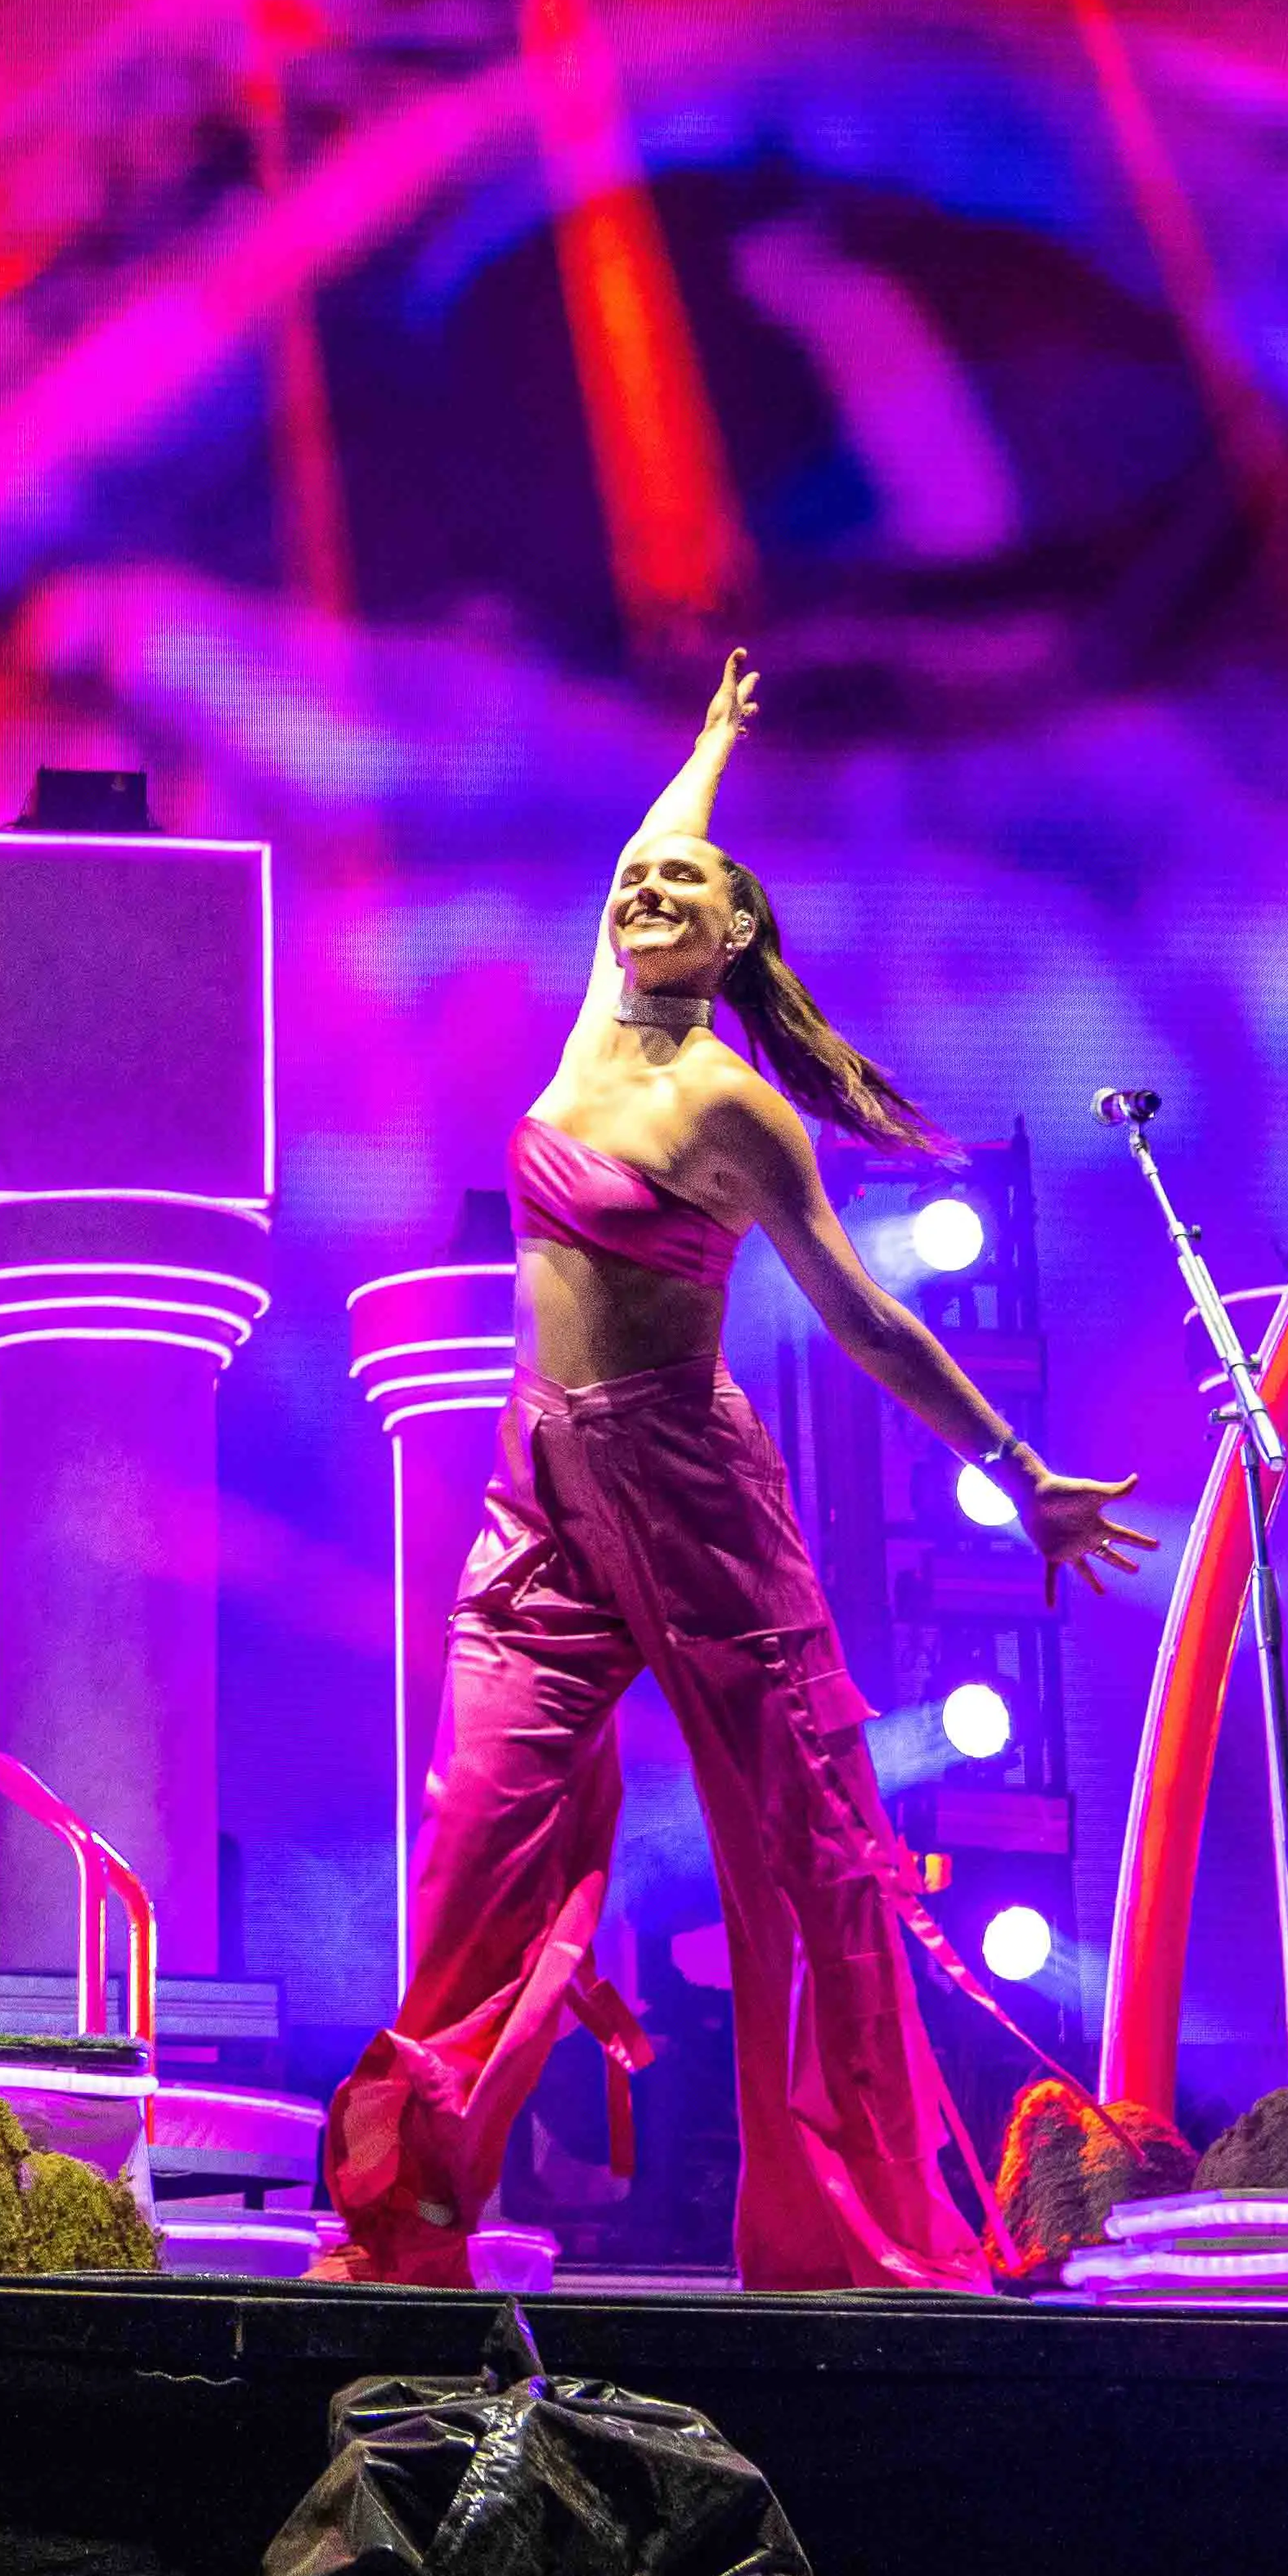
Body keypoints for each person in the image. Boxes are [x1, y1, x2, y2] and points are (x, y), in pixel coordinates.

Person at [317, 651, 1153, 2292]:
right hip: (540, 1493)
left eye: (679, 883)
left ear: (736, 936)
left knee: (810, 1850)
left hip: (690, 1489)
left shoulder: (729, 1108)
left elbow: (868, 1317)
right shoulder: (592, 1020)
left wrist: (1023, 1471)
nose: (642, 886)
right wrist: (706, 747)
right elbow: (656, 831)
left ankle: (850, 2234)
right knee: (477, 1833)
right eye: (633, 878)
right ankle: (406, 2221)